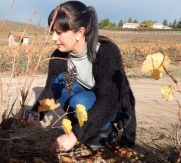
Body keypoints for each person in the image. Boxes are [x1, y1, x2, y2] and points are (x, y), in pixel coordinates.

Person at [26, 0, 136, 152]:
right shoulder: (60, 57)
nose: (53, 38)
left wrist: (74, 136)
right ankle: (85, 130)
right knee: (60, 82)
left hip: (109, 110)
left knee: (80, 101)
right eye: (52, 31)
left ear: (79, 32)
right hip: (89, 104)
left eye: (59, 32)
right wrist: (35, 113)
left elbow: (110, 101)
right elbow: (50, 91)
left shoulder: (105, 52)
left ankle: (106, 134)